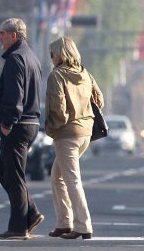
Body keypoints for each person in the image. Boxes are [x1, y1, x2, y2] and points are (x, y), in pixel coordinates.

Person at [44, 36, 103, 240]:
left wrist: (51, 128)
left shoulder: (57, 76)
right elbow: (99, 100)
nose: (51, 58)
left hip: (66, 133)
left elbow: (58, 109)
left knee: (71, 180)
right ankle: (64, 222)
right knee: (57, 176)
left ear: (61, 54)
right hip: (85, 132)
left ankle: (83, 226)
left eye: (52, 54)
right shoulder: (85, 73)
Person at [0, 18, 44, 240]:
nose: (0, 37)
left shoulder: (15, 58)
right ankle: (30, 213)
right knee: (5, 172)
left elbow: (15, 94)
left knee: (13, 175)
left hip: (18, 124)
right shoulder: (31, 56)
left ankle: (18, 227)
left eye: (3, 33)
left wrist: (7, 122)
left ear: (14, 35)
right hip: (30, 123)